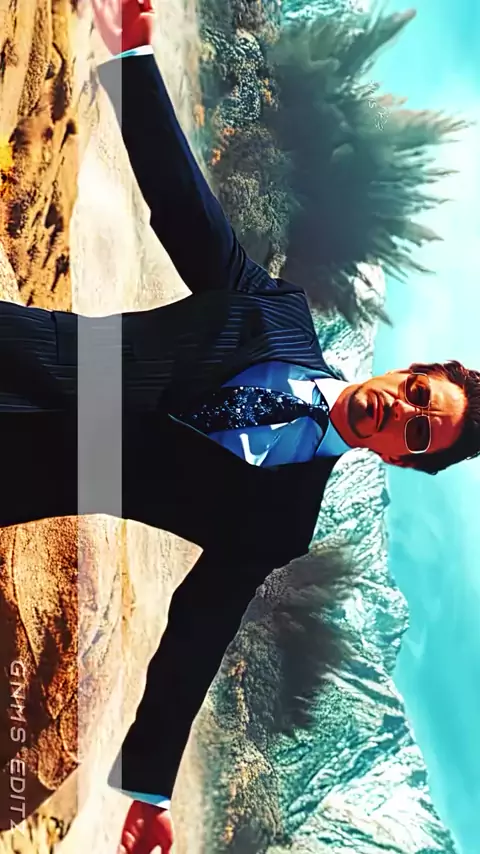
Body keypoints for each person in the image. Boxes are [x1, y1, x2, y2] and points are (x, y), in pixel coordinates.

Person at [1, 1, 478, 850]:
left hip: (20, 477)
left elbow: (196, 633)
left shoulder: (281, 521)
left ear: (404, 463)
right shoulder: (278, 314)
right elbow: (184, 208)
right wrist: (133, 61)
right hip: (21, 352)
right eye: (417, 395)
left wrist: (149, 789)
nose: (401, 412)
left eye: (418, 434)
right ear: (410, 370)